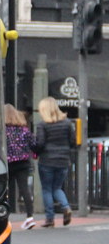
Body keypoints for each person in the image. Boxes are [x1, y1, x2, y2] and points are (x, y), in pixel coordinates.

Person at [33, 96, 76, 228]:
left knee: (47, 189)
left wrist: (33, 149)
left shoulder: (42, 125)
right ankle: (66, 207)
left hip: (47, 160)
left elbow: (40, 144)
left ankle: (50, 219)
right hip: (63, 160)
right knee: (57, 188)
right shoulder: (67, 123)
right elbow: (73, 142)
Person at [4, 104, 36, 229]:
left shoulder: (2, 130)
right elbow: (34, 144)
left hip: (7, 163)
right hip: (23, 162)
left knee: (3, 191)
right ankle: (30, 217)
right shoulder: (24, 130)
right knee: (25, 190)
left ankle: (3, 217)